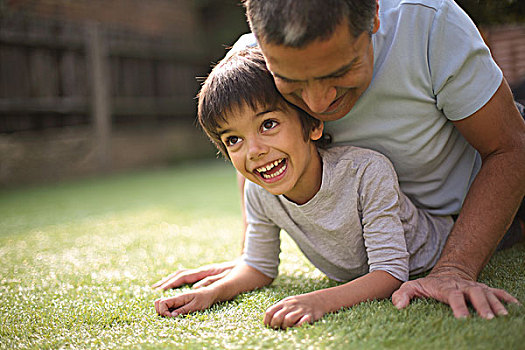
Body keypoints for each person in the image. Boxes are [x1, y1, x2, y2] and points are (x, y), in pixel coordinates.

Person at [153, 0, 525, 319]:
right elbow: (254, 158)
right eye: (290, 81)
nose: (317, 105)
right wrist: (247, 260)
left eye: (339, 71)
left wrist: (455, 268)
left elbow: (511, 146)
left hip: (479, 206)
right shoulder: (250, 57)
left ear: (374, 17)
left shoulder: (430, 20)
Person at [155, 48, 462, 329]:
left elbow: (390, 274)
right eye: (234, 139)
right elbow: (259, 266)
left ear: (313, 125)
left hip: (438, 250)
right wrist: (212, 293)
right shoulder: (258, 192)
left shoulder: (366, 171)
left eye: (268, 124)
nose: (254, 151)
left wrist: (319, 300)